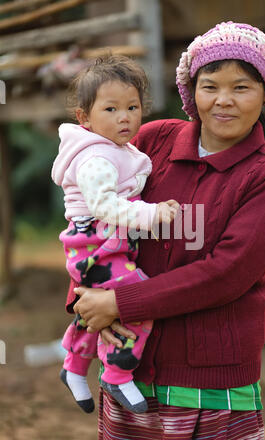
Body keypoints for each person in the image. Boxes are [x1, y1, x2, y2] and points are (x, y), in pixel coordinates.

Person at [70, 22, 265, 440]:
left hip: (211, 384)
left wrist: (118, 303)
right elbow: (89, 214)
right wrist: (85, 300)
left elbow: (227, 273)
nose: (223, 100)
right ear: (191, 90)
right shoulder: (153, 141)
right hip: (130, 373)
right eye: (210, 86)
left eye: (242, 87)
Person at [51, 54, 179, 414]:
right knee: (138, 301)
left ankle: (74, 367)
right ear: (84, 117)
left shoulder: (119, 150)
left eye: (132, 106)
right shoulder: (96, 159)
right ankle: (117, 374)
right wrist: (154, 213)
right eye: (110, 109)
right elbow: (106, 206)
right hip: (95, 248)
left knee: (97, 308)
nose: (124, 117)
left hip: (100, 248)